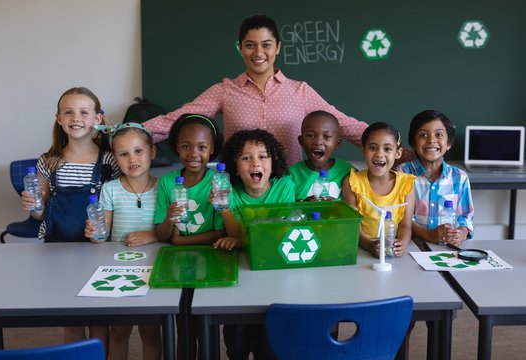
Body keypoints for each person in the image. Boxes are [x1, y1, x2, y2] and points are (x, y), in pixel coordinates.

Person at [142, 14, 370, 165]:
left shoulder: (300, 91)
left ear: (278, 47)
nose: (258, 52)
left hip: (288, 188)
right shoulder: (225, 90)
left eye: (266, 44)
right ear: (240, 48)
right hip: (239, 190)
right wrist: (129, 134)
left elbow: (343, 124)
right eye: (250, 45)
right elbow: (178, 119)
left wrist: (386, 146)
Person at [20, 86, 119, 350]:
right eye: (68, 112)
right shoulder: (49, 161)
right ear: (59, 119)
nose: (76, 118)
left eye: (84, 112)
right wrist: (32, 205)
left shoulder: (110, 160)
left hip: (98, 249)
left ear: (97, 118)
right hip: (57, 250)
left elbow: (116, 204)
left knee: (99, 318)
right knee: (72, 319)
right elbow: (40, 212)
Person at [212, 129, 293, 360]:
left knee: (269, 347)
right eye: (246, 158)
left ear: (273, 161)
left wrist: (239, 241)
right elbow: (235, 233)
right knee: (237, 343)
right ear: (235, 166)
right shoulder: (230, 194)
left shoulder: (284, 185)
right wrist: (225, 208)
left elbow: (278, 234)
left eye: (262, 156)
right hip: (241, 278)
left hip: (275, 278)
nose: (255, 162)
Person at [85, 122, 162, 360]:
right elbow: (102, 234)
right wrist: (94, 233)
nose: (132, 159)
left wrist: (151, 236)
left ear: (152, 152)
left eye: (138, 151)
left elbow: (171, 230)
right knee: (118, 331)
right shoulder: (110, 190)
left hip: (152, 267)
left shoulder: (164, 188)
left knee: (150, 332)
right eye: (124, 154)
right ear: (115, 158)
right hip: (118, 268)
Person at [398, 110, 474, 245]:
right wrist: (428, 234)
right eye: (423, 135)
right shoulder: (402, 173)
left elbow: (465, 216)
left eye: (439, 134)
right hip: (412, 246)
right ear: (413, 143)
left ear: (448, 143)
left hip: (447, 248)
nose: (431, 140)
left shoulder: (460, 178)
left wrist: (462, 232)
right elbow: (400, 217)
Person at [342, 122, 415, 258]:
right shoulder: (353, 182)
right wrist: (369, 245)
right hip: (361, 251)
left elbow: (406, 224)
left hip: (392, 251)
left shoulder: (406, 183)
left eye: (387, 149)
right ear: (363, 150)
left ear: (398, 153)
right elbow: (353, 225)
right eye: (373, 148)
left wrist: (403, 243)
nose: (379, 154)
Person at [154, 114, 226, 244]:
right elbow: (161, 236)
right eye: (186, 147)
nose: (193, 154)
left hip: (210, 253)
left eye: (202, 147)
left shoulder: (219, 183)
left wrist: (180, 240)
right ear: (178, 148)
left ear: (212, 149)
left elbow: (221, 233)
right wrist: (168, 221)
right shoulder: (166, 181)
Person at [289, 110, 354, 201]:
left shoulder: (348, 172)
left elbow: (358, 207)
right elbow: (286, 210)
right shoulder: (291, 175)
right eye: (310, 136)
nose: (318, 142)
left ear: (337, 143)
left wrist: (337, 207)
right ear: (301, 141)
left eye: (326, 137)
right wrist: (303, 207)